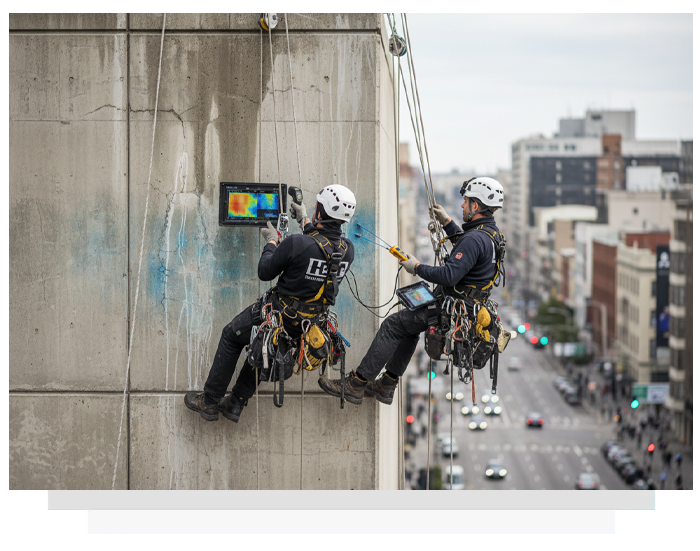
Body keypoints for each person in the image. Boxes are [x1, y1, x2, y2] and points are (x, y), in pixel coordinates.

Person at [317, 176, 505, 405]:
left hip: (452, 307)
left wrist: (416, 266)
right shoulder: (492, 236)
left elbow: (449, 274)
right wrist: (447, 222)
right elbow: (467, 247)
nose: (463, 206)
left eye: (466, 202)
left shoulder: (475, 239)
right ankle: (386, 384)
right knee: (409, 327)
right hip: (464, 306)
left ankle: (357, 384)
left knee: (394, 325)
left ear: (476, 205)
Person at [184, 184, 356, 422]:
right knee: (263, 352)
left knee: (232, 336)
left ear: (321, 210)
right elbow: (320, 248)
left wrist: (272, 244)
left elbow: (265, 271)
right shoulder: (347, 250)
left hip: (277, 313)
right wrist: (305, 219)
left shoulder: (296, 243)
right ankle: (234, 404)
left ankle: (210, 401)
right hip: (308, 324)